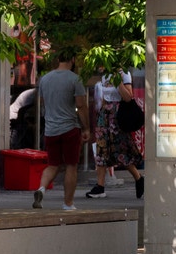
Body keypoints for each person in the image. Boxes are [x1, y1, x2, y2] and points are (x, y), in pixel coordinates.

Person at [35, 50, 89, 210]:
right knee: (71, 166)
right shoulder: (75, 79)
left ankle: (41, 189)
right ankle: (68, 203)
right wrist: (86, 127)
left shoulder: (44, 79)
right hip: (69, 128)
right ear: (72, 59)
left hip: (50, 129)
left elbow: (43, 101)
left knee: (53, 164)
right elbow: (80, 105)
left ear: (58, 59)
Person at [86, 72, 145, 199]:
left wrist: (118, 81)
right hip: (105, 114)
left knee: (121, 149)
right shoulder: (104, 76)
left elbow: (128, 97)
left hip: (118, 114)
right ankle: (100, 186)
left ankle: (138, 178)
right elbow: (103, 97)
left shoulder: (124, 74)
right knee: (101, 148)